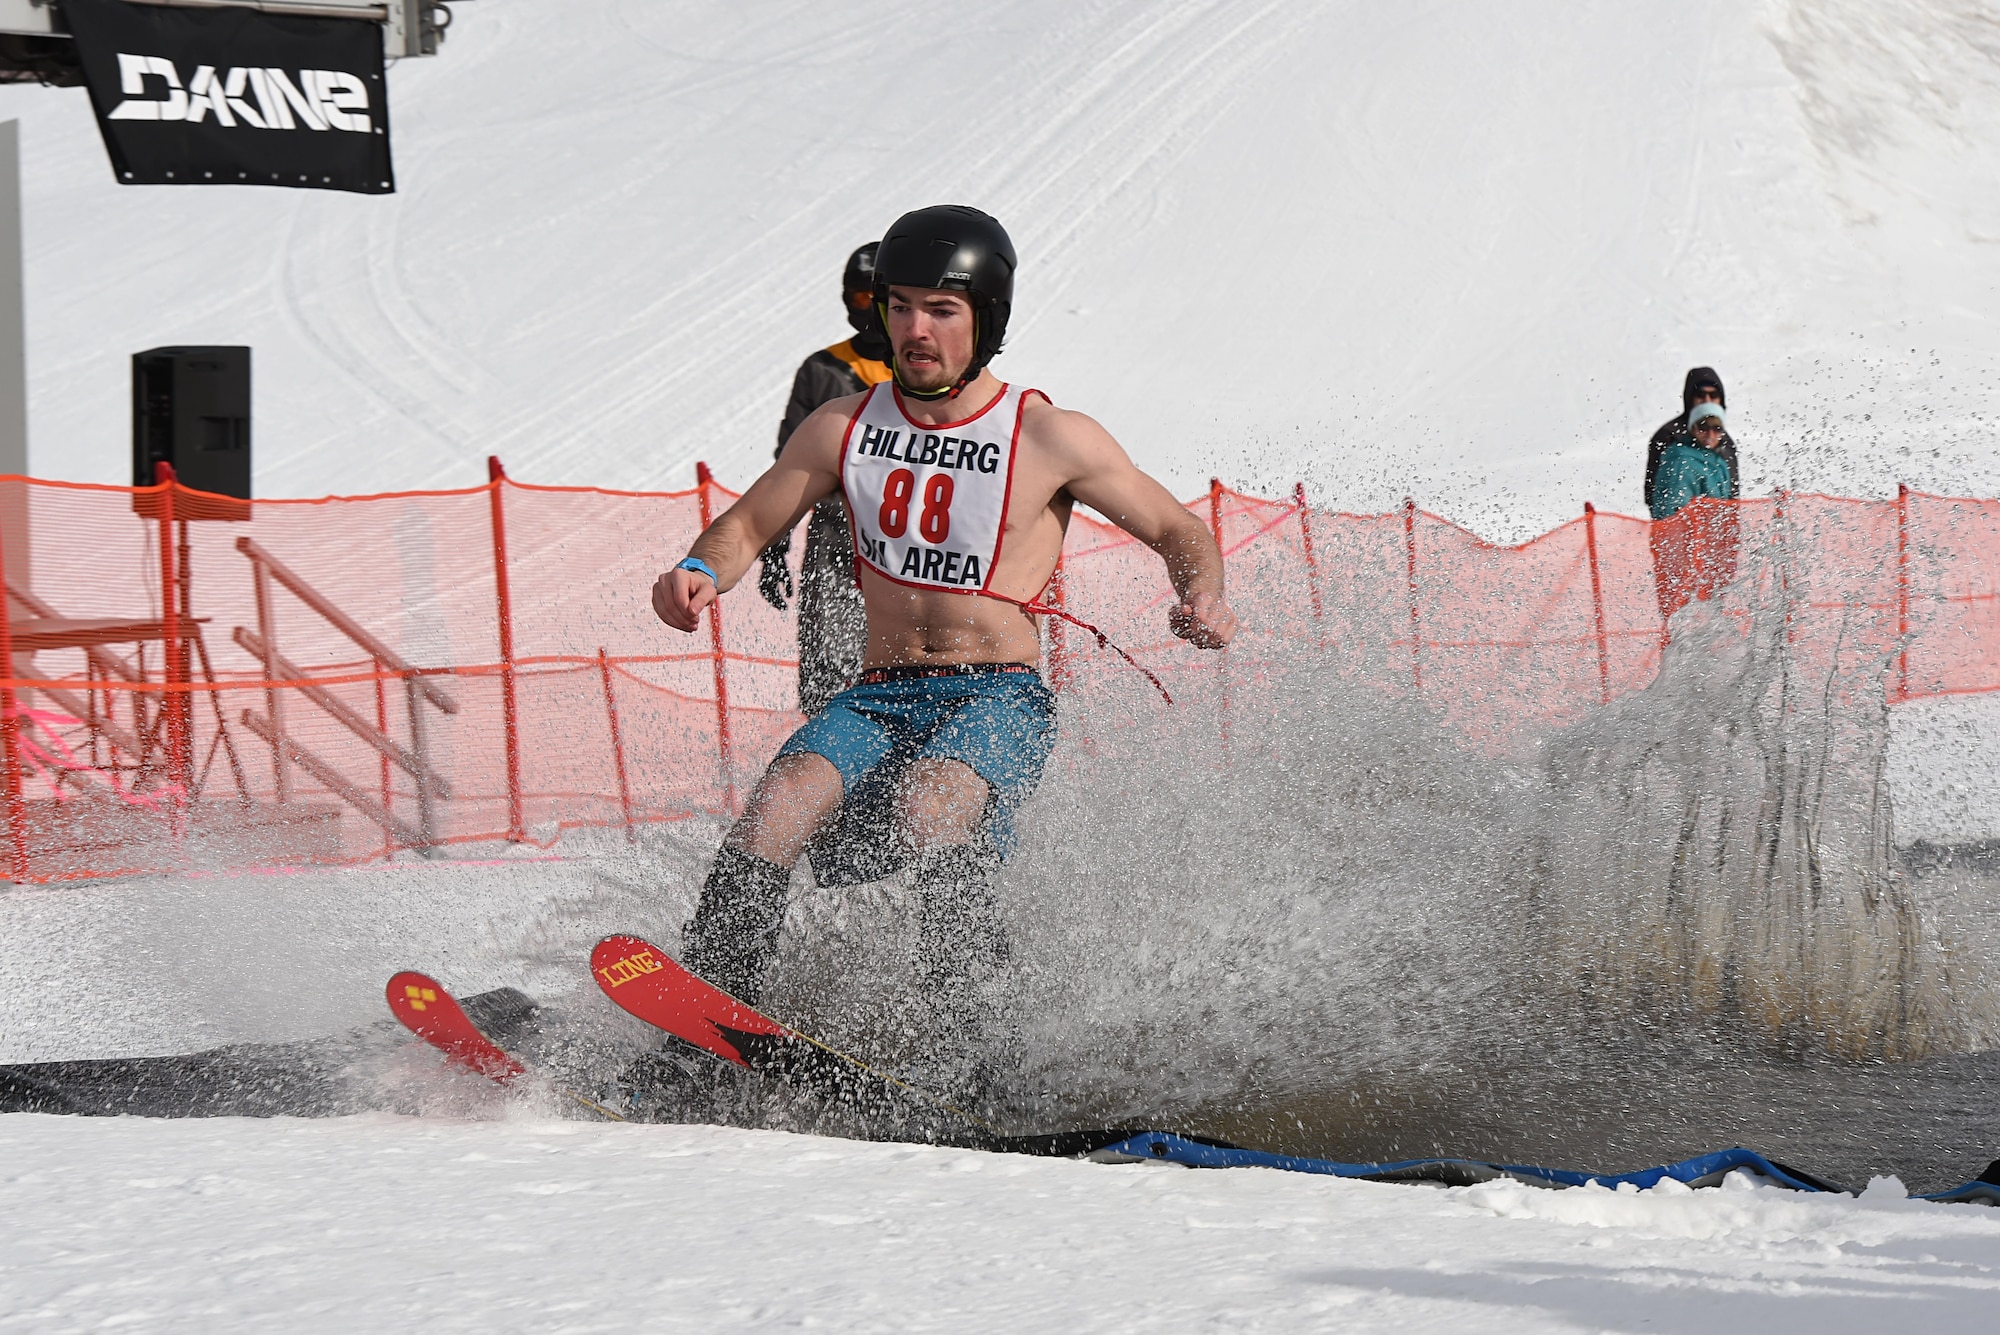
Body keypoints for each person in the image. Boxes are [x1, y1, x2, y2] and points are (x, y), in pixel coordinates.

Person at [651, 205, 1237, 1092]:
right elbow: (747, 522)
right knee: (779, 802)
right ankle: (701, 1040)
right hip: (878, 690)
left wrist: (1202, 591)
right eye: (900, 306)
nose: (915, 330)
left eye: (942, 309)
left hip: (996, 694)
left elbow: (1177, 528)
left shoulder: (1048, 435)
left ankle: (977, 1053)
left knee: (936, 805)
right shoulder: (841, 426)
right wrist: (700, 567)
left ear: (987, 317)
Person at [756, 245, 894, 715]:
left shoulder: (925, 371)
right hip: (835, 534)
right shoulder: (822, 370)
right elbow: (788, 469)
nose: (867, 311)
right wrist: (775, 546)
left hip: (910, 533)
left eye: (876, 298)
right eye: (857, 299)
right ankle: (835, 760)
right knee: (829, 666)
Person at [1649, 402, 1739, 624]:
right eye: (1703, 427)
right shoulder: (1681, 459)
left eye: (1716, 428)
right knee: (1684, 616)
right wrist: (1691, 540)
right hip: (1688, 550)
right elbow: (1671, 510)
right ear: (1692, 428)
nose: (1710, 434)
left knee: (1711, 615)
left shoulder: (1718, 461)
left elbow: (1725, 505)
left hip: (1712, 549)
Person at [1643, 367, 1738, 513]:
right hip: (1685, 527)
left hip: (1716, 527)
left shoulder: (1725, 441)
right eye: (1701, 394)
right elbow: (1656, 492)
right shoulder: (1669, 436)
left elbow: (1732, 493)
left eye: (1713, 395)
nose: (1707, 400)